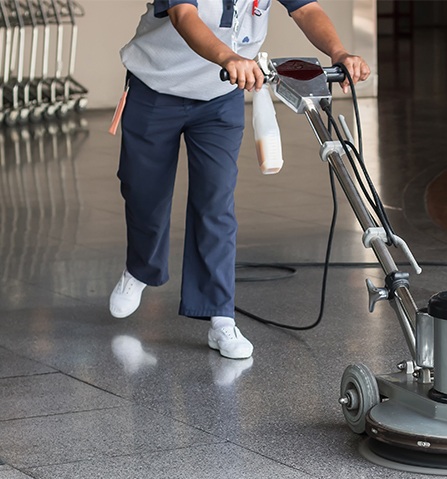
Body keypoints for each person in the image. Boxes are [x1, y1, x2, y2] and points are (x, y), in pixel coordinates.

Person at [109, 0, 369, 359]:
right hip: (156, 87)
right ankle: (140, 268)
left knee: (215, 203)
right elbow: (184, 16)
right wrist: (227, 57)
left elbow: (307, 10)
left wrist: (339, 51)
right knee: (143, 192)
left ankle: (220, 317)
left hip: (219, 98)